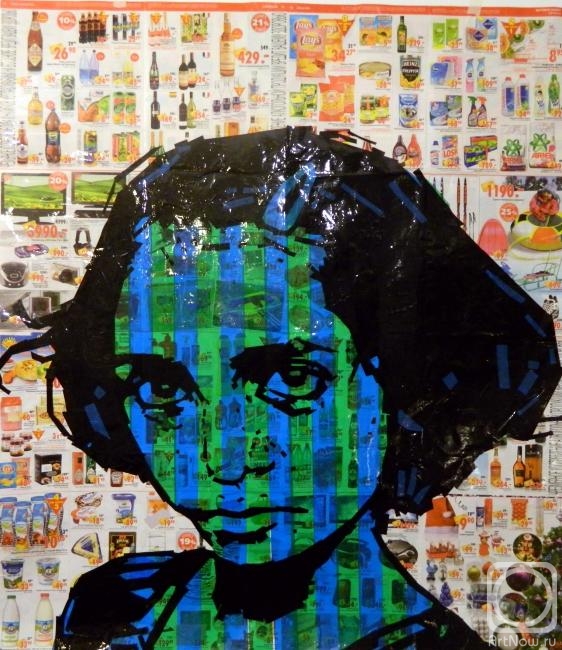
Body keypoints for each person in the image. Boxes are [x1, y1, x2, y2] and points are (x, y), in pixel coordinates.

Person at [0, 127, 558, 649]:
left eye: (292, 380)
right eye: (162, 390)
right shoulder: (114, 605)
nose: (222, 461)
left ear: (404, 387)